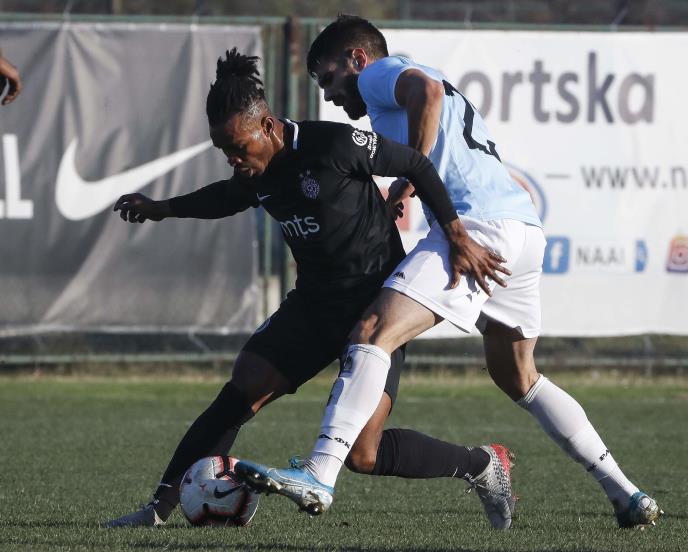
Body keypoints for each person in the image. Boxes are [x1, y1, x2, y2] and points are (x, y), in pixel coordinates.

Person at [235, 16, 662, 529]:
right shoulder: (396, 89)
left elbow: (427, 92)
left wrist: (413, 171)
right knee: (519, 377)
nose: (329, 94)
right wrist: (411, 179)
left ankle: (319, 473)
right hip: (523, 231)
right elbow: (432, 102)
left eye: (329, 78)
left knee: (372, 331)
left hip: (478, 228)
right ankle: (626, 493)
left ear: (357, 59)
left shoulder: (379, 74)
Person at [106, 48, 516, 529]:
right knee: (243, 386)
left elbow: (418, 166)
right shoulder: (255, 171)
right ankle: (157, 510)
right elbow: (226, 197)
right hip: (314, 307)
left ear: (268, 126)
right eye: (224, 151)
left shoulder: (332, 144)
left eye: (238, 147)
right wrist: (163, 208)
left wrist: (456, 235)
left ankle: (482, 465)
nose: (233, 159)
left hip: (375, 307)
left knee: (363, 454)